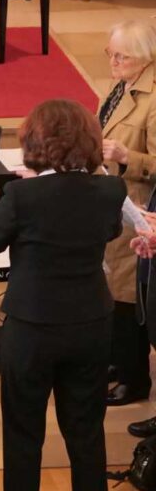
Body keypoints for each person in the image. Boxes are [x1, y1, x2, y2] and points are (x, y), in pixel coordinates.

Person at [0, 99, 125, 491]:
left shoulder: (20, 195)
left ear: (34, 141)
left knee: (23, 434)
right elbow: (111, 229)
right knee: (86, 431)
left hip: (32, 328)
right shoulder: (110, 188)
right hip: (91, 324)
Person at [97, 21, 156, 406]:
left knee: (129, 298)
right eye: (111, 54)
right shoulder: (122, 84)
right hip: (114, 206)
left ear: (145, 57)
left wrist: (125, 157)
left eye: (123, 56)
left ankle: (135, 381)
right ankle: (119, 363)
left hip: (139, 211)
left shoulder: (154, 98)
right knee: (114, 295)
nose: (114, 61)